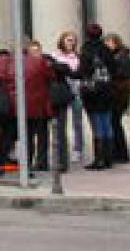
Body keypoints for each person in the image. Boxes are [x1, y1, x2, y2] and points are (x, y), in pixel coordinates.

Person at [0, 42, 55, 175]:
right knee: (28, 137)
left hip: (9, 106)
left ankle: (0, 166)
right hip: (32, 107)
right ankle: (27, 168)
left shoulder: (2, 62)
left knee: (6, 136)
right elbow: (50, 77)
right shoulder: (39, 62)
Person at [77, 24, 117, 169]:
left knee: (97, 124)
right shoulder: (106, 50)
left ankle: (99, 159)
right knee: (107, 123)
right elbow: (114, 69)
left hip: (93, 93)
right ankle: (109, 158)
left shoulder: (86, 51)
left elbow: (82, 72)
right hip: (107, 91)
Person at [49, 30, 85, 169]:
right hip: (61, 91)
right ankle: (60, 150)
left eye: (73, 40)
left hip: (75, 90)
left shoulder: (78, 57)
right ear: (62, 41)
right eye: (68, 40)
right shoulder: (55, 56)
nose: (71, 43)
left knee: (77, 121)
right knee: (60, 123)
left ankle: (78, 148)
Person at [102, 32, 130, 165]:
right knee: (115, 123)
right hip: (116, 93)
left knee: (115, 123)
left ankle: (121, 153)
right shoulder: (115, 56)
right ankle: (118, 152)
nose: (107, 45)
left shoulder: (121, 56)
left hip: (119, 94)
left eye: (109, 42)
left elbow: (125, 72)